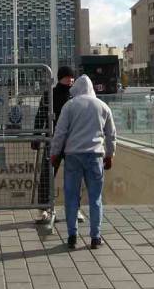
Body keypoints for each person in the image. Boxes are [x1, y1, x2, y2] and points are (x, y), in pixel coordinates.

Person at [50, 75, 116, 250]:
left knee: (71, 197)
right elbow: (111, 135)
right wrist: (110, 155)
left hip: (73, 156)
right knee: (95, 198)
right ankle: (95, 237)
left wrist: (54, 153)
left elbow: (60, 132)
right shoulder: (103, 106)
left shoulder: (70, 106)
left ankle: (72, 236)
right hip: (95, 156)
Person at [32, 66, 81, 224]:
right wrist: (36, 136)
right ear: (60, 78)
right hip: (52, 140)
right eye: (68, 77)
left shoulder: (76, 95)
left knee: (74, 176)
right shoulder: (50, 94)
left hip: (72, 141)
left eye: (72, 77)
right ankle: (43, 209)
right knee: (47, 174)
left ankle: (74, 209)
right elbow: (41, 115)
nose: (71, 80)